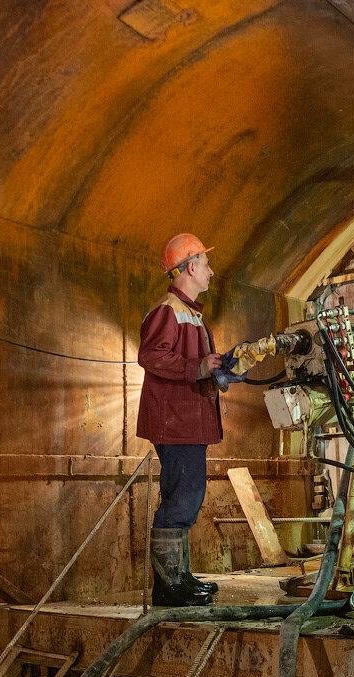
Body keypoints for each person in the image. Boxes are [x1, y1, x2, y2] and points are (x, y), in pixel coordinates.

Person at [136, 233, 225, 607]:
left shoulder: (191, 314)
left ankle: (180, 577)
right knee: (183, 498)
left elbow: (194, 365)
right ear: (190, 267)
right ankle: (168, 585)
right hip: (176, 422)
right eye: (205, 264)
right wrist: (199, 366)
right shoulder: (168, 311)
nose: (210, 271)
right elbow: (152, 356)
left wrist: (219, 368)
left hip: (187, 421)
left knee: (186, 497)